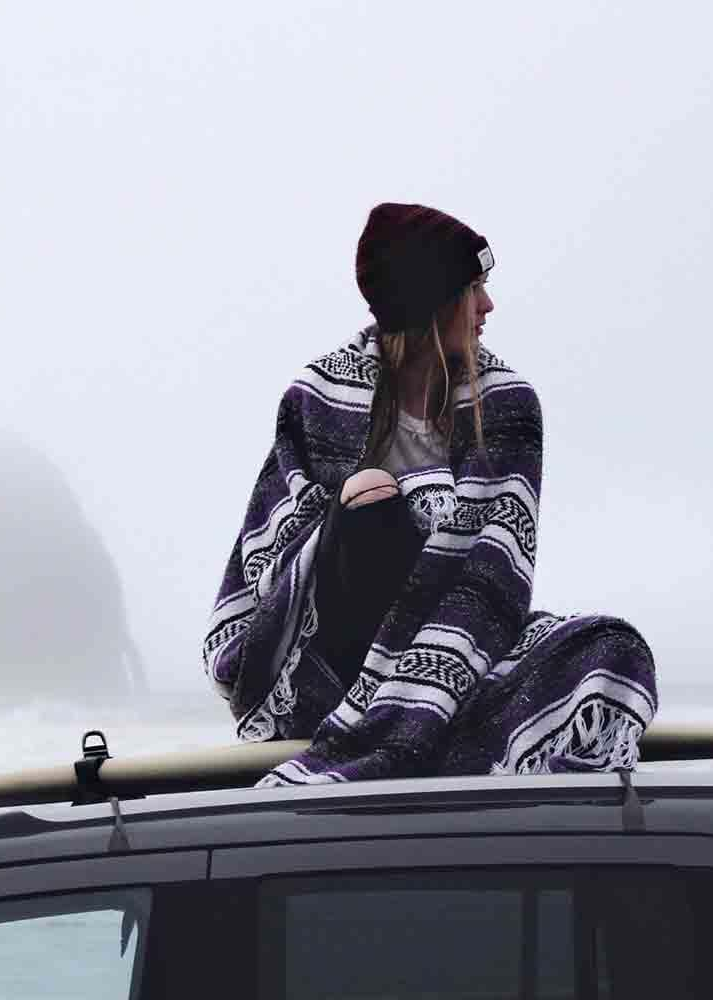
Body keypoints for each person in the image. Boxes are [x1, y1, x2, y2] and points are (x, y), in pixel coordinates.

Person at [203, 202, 656, 784]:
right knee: (369, 502)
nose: (488, 306)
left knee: (611, 647)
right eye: (475, 288)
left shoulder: (509, 406)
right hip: (333, 652)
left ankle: (419, 710)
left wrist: (411, 507)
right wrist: (359, 506)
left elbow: (494, 567)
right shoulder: (315, 399)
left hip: (463, 632)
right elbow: (272, 549)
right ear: (432, 300)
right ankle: (392, 713)